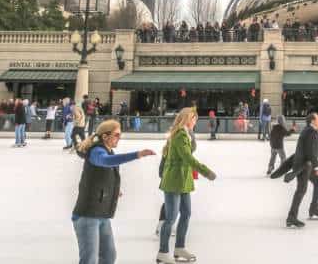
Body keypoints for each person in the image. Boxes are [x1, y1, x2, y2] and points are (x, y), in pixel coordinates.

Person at [72, 119, 155, 264]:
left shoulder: (107, 151)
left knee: (108, 256)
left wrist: (113, 190)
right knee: (89, 260)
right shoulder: (97, 151)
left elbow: (103, 175)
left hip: (101, 214)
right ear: (105, 136)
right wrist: (137, 155)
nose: (119, 138)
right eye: (116, 135)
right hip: (87, 215)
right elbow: (106, 161)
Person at [157, 108, 216, 264]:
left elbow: (192, 149)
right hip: (174, 180)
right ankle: (163, 252)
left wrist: (192, 133)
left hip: (183, 181)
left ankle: (179, 248)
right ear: (185, 119)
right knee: (170, 218)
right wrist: (206, 171)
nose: (195, 122)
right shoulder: (179, 135)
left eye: (196, 119)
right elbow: (188, 157)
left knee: (186, 213)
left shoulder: (186, 134)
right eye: (193, 119)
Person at [285, 113, 318, 228]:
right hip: (303, 165)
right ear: (313, 121)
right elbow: (309, 152)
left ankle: (314, 209)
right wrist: (317, 166)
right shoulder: (310, 132)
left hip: (307, 164)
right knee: (301, 190)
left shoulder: (310, 131)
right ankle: (291, 217)